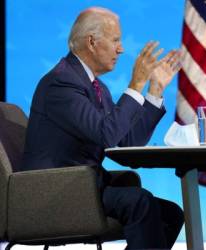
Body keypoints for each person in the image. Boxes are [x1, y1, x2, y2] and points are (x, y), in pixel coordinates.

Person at [21, 6, 183, 250]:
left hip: (84, 186)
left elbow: (127, 141)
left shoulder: (96, 87)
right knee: (141, 202)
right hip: (56, 193)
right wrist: (136, 83)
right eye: (116, 40)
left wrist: (155, 90)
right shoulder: (61, 82)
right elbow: (106, 134)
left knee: (171, 214)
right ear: (92, 42)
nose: (121, 48)